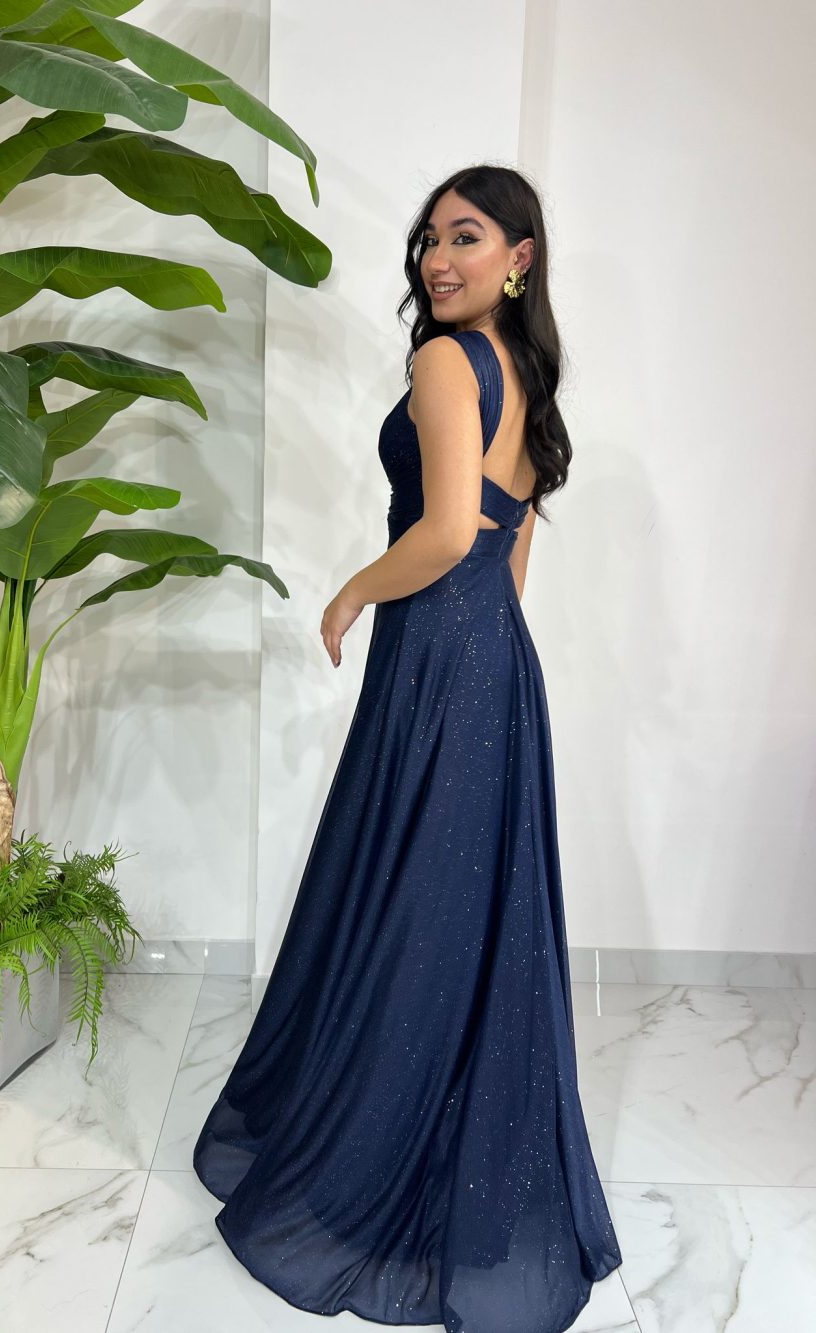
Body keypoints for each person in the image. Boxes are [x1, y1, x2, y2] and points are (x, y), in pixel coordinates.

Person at [193, 164, 623, 1333]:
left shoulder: (445, 362)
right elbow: (507, 552)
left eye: (466, 238)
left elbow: (439, 533)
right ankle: (445, 1151)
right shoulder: (526, 375)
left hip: (436, 653)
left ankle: (369, 1156)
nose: (438, 259)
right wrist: (472, 650)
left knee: (408, 907)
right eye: (430, 238)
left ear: (519, 257)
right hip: (494, 662)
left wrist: (349, 594)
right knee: (455, 917)